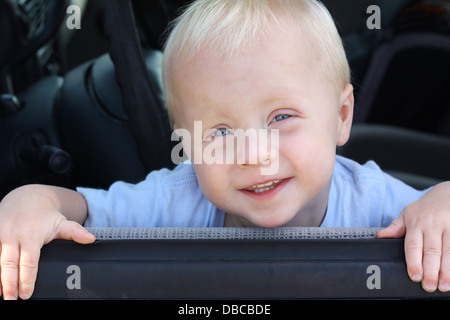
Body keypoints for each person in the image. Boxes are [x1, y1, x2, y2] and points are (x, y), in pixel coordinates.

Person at [0, 0, 449, 300]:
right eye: (219, 132)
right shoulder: (177, 198)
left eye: (280, 118)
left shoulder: (374, 201)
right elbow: (81, 210)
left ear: (342, 116)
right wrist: (31, 201)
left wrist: (441, 201)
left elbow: (436, 220)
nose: (253, 154)